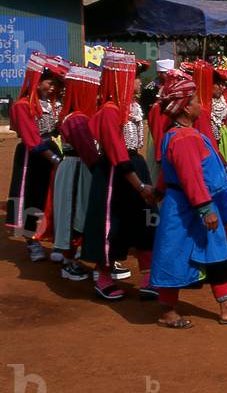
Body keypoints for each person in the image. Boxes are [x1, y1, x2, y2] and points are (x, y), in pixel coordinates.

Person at [151, 75, 227, 328]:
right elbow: (191, 177)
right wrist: (206, 209)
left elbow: (174, 172)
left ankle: (226, 305)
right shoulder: (184, 138)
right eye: (197, 100)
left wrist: (158, 191)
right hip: (191, 208)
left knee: (214, 252)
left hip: (194, 205)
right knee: (174, 254)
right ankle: (167, 311)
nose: (201, 105)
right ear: (186, 106)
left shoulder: (182, 134)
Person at [82, 48, 158, 301]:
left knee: (145, 221)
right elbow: (117, 153)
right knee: (112, 225)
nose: (139, 82)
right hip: (116, 173)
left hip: (135, 165)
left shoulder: (132, 107)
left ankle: (148, 276)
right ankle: (103, 277)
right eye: (134, 76)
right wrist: (140, 186)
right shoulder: (109, 111)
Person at [7, 54, 65, 262]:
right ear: (38, 81)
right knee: (32, 196)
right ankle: (32, 240)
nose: (54, 87)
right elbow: (32, 140)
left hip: (51, 150)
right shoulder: (22, 105)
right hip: (32, 157)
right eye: (50, 82)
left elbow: (59, 131)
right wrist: (57, 161)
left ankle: (59, 241)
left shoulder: (55, 104)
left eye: (57, 84)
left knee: (54, 196)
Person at [50, 65, 101, 280]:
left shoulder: (76, 116)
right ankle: (69, 262)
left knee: (76, 214)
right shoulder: (77, 118)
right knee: (73, 215)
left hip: (78, 169)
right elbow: (89, 152)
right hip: (77, 170)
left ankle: (70, 258)